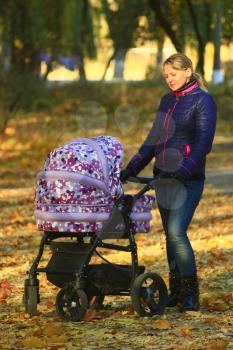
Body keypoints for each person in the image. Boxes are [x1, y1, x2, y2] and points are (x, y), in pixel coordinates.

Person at [120, 53, 217, 312]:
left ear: (187, 71)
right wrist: (131, 167)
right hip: (162, 178)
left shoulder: (203, 101)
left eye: (173, 74)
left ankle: (190, 294)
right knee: (170, 236)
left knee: (176, 232)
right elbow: (153, 140)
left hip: (188, 180)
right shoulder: (166, 101)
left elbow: (202, 144)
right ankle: (175, 291)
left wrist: (183, 172)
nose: (169, 79)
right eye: (165, 76)